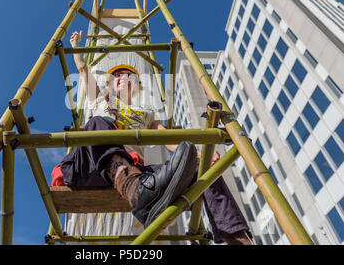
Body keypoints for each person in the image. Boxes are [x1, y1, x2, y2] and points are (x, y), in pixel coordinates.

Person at [53, 30, 253, 245]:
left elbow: (166, 138)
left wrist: (198, 154)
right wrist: (75, 46)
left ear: (136, 84)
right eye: (117, 76)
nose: (121, 77)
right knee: (99, 123)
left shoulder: (147, 113)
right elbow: (83, 69)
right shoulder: (100, 100)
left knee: (202, 169)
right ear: (111, 84)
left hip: (137, 177)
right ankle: (132, 185)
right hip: (89, 167)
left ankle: (237, 238)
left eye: (128, 75)